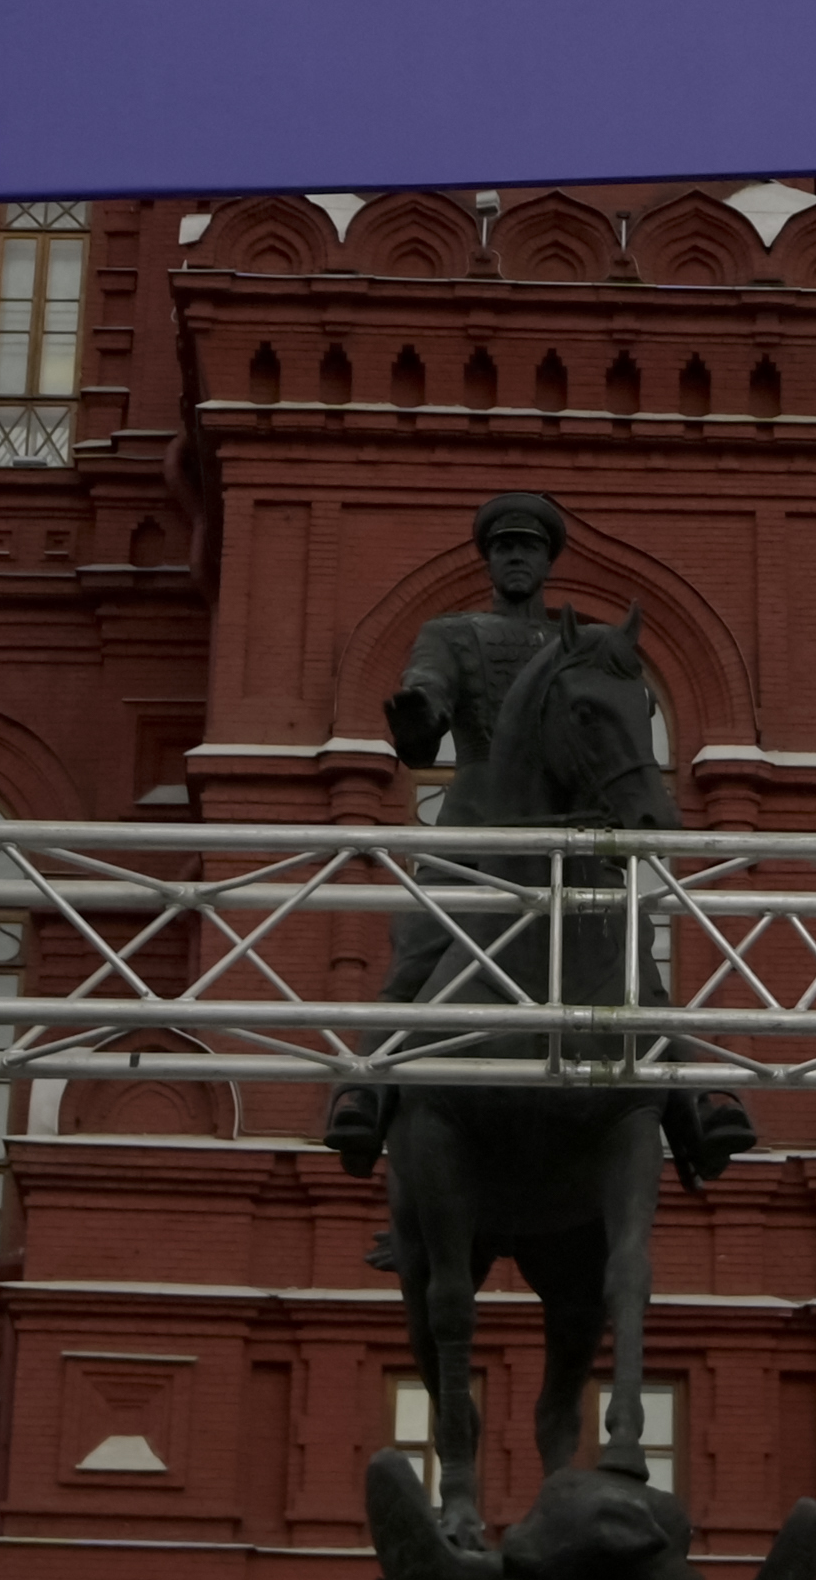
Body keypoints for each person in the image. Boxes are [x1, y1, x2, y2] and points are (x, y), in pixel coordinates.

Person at [319, 492, 758, 1184]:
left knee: (633, 954)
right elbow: (428, 690)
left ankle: (691, 1104)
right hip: (474, 824)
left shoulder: (577, 646)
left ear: (548, 561)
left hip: (569, 838)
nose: (515, 558)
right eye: (503, 548)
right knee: (422, 943)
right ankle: (364, 1091)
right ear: (489, 560)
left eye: (528, 548)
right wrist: (419, 714)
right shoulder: (452, 633)